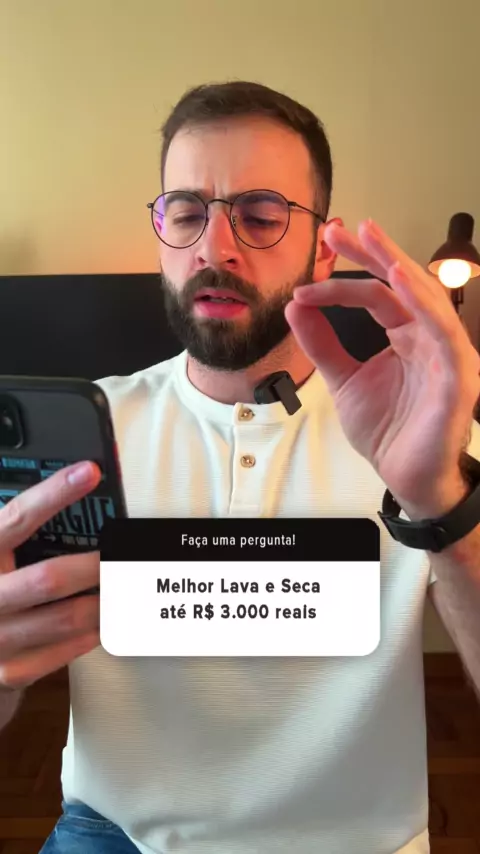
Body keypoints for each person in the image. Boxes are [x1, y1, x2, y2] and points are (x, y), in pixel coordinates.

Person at [0, 80, 479, 854]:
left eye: (259, 216)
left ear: (324, 247)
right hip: (116, 834)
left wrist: (441, 507)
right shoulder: (85, 438)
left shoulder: (424, 431)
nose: (214, 248)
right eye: (187, 212)